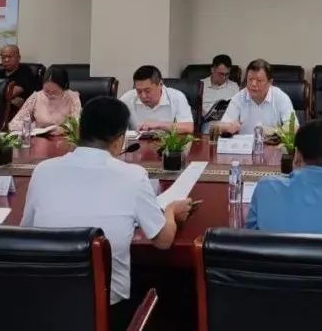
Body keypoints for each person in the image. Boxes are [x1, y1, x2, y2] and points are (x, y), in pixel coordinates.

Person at [21, 97, 193, 330]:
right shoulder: (133, 176)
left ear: (79, 131)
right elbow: (163, 241)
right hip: (109, 313)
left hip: (46, 308)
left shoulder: (43, 171)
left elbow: (27, 234)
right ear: (120, 139)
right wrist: (171, 211)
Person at [217, 59, 295, 136]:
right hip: (244, 143)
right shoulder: (239, 97)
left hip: (270, 143)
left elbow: (294, 128)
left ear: (270, 82)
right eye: (250, 79)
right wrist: (227, 127)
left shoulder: (280, 97)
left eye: (259, 80)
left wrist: (274, 131)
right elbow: (222, 126)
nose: (253, 84)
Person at [117, 66, 194, 133]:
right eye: (139, 91)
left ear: (160, 84)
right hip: (136, 144)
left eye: (147, 91)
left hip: (166, 144)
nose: (143, 96)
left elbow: (188, 127)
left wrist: (159, 125)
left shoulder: (177, 97)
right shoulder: (127, 98)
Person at [7, 65, 81, 134]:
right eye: (46, 91)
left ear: (64, 87)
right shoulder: (36, 97)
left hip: (64, 138)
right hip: (39, 137)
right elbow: (14, 124)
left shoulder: (72, 97)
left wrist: (62, 129)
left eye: (54, 92)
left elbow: (77, 124)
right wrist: (34, 128)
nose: (50, 95)